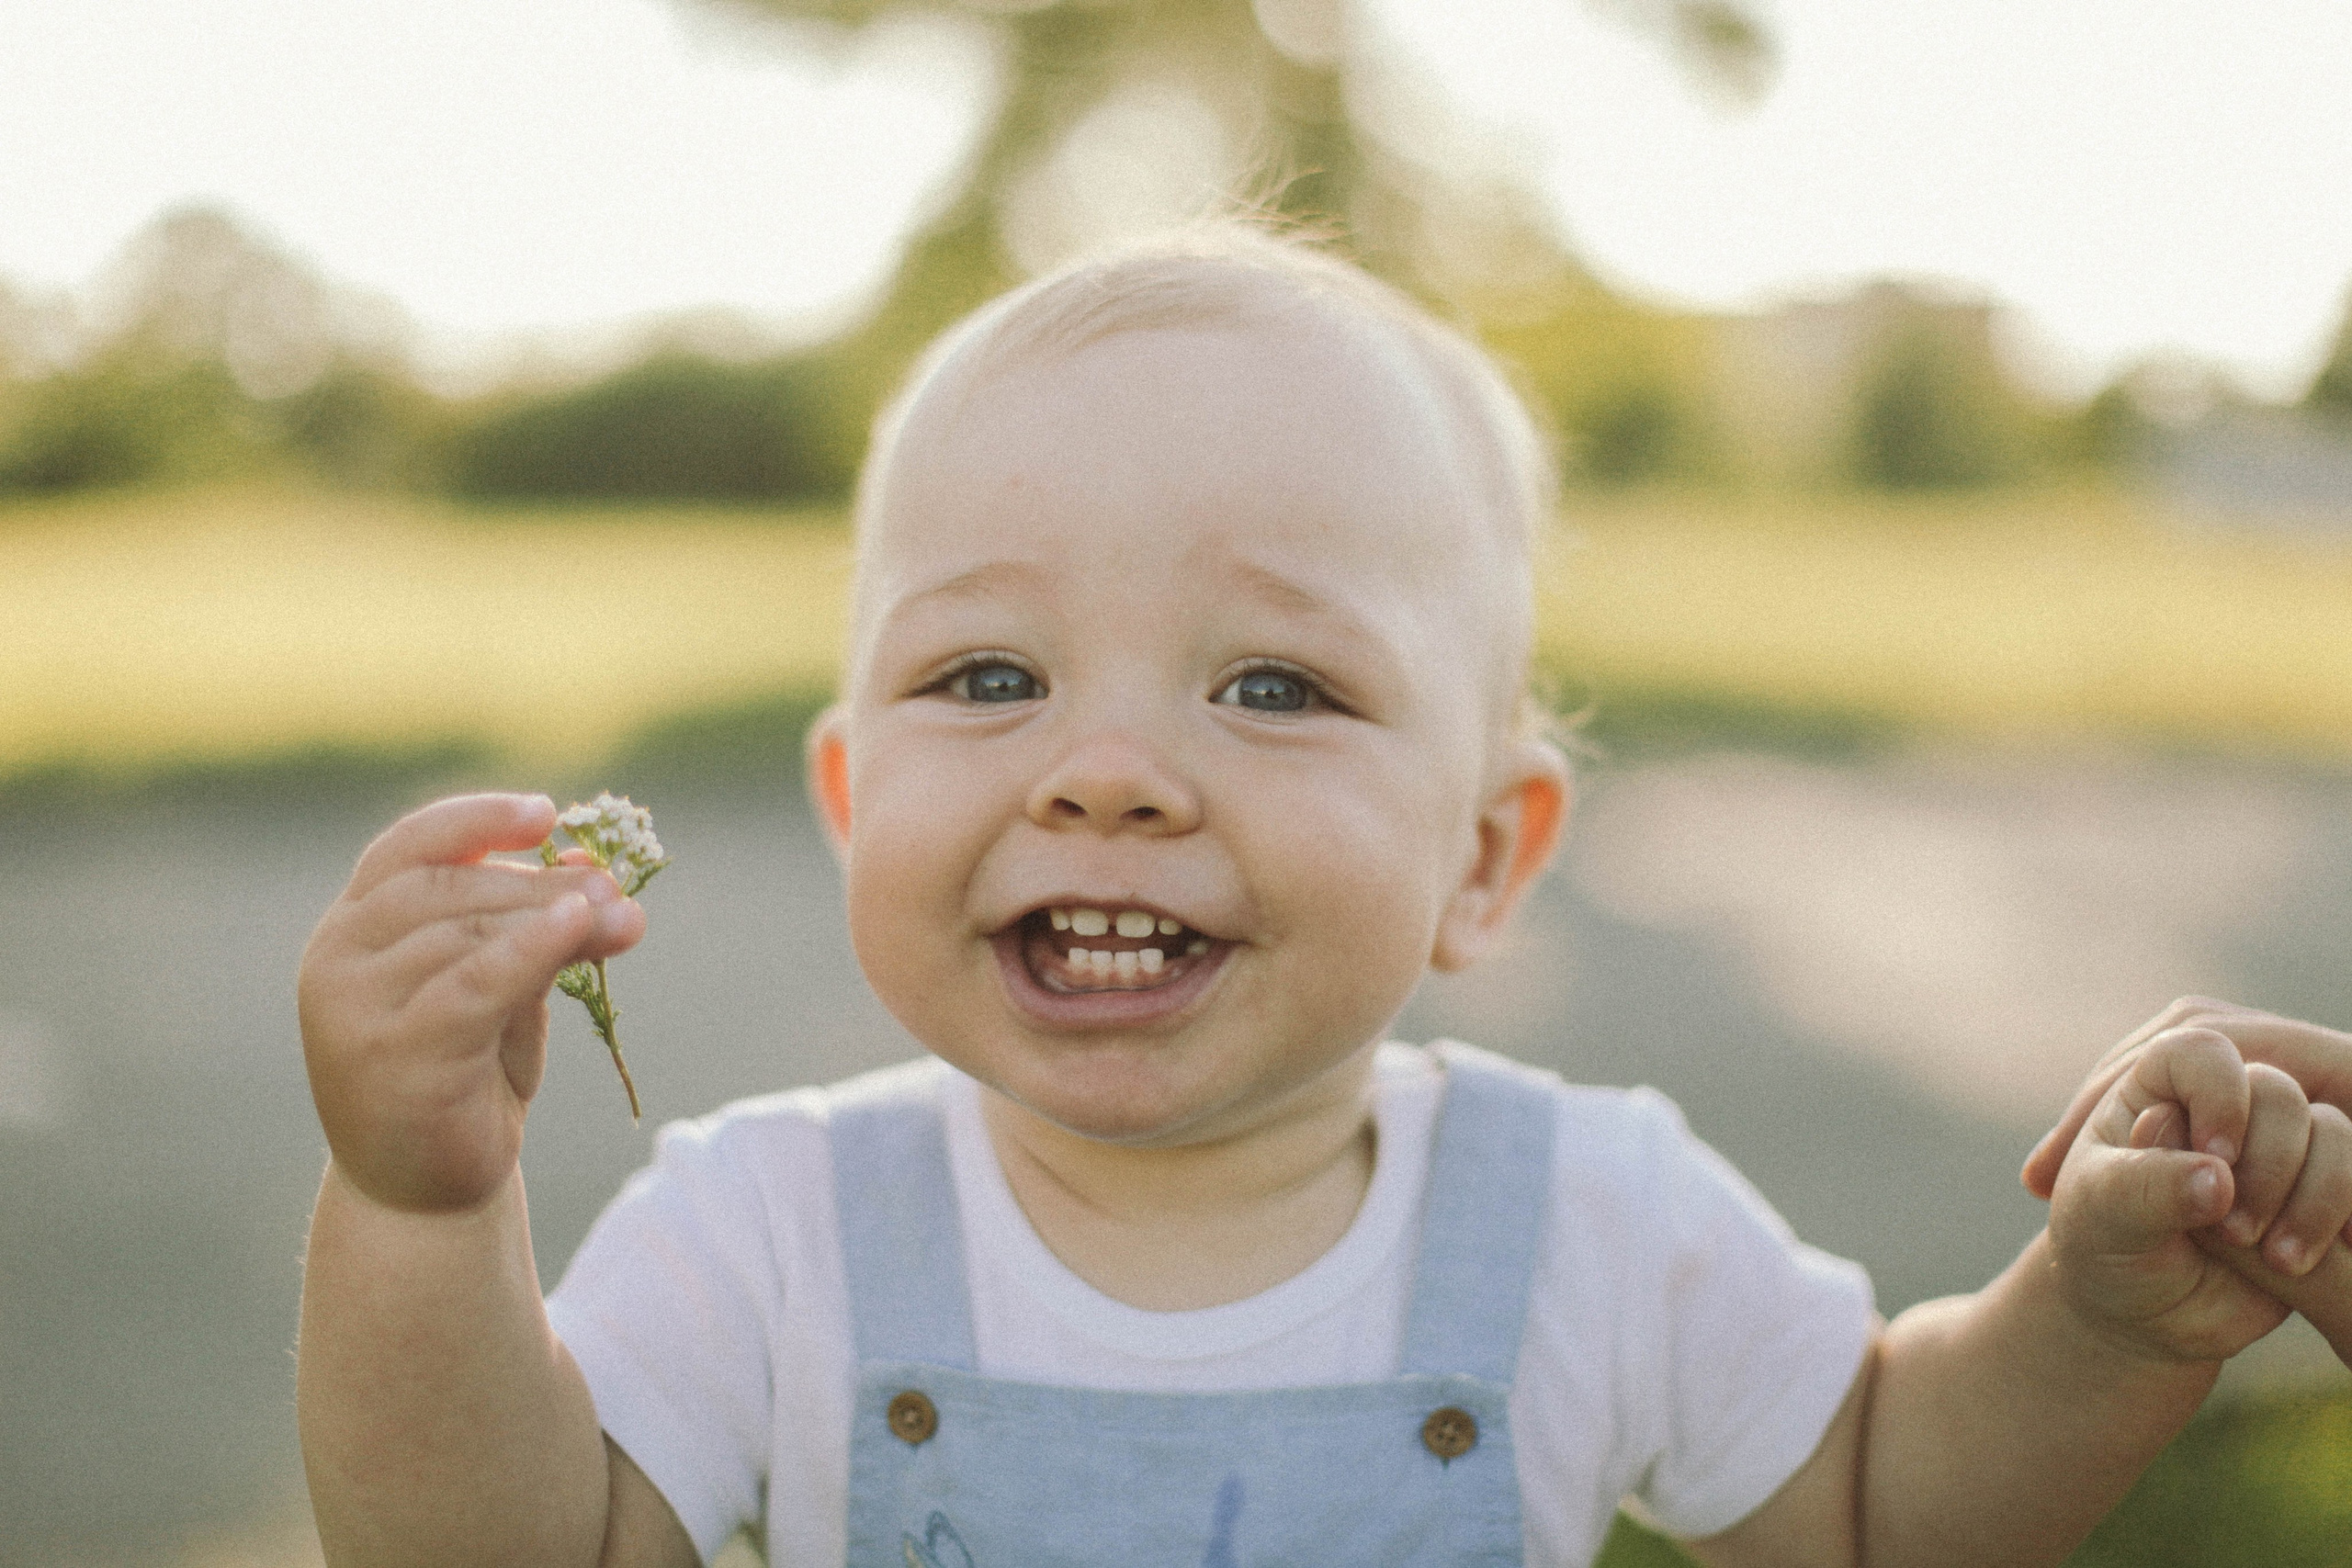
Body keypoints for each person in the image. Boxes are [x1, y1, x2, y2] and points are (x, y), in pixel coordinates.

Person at [294, 228, 2352, 1568]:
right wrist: (418, 1206)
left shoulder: (1584, 1215)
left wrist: (2093, 1323)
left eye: (1272, 682)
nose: (1100, 767)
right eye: (985, 676)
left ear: (1481, 856)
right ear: (851, 798)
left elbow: (1880, 1508)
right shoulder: (772, 1235)